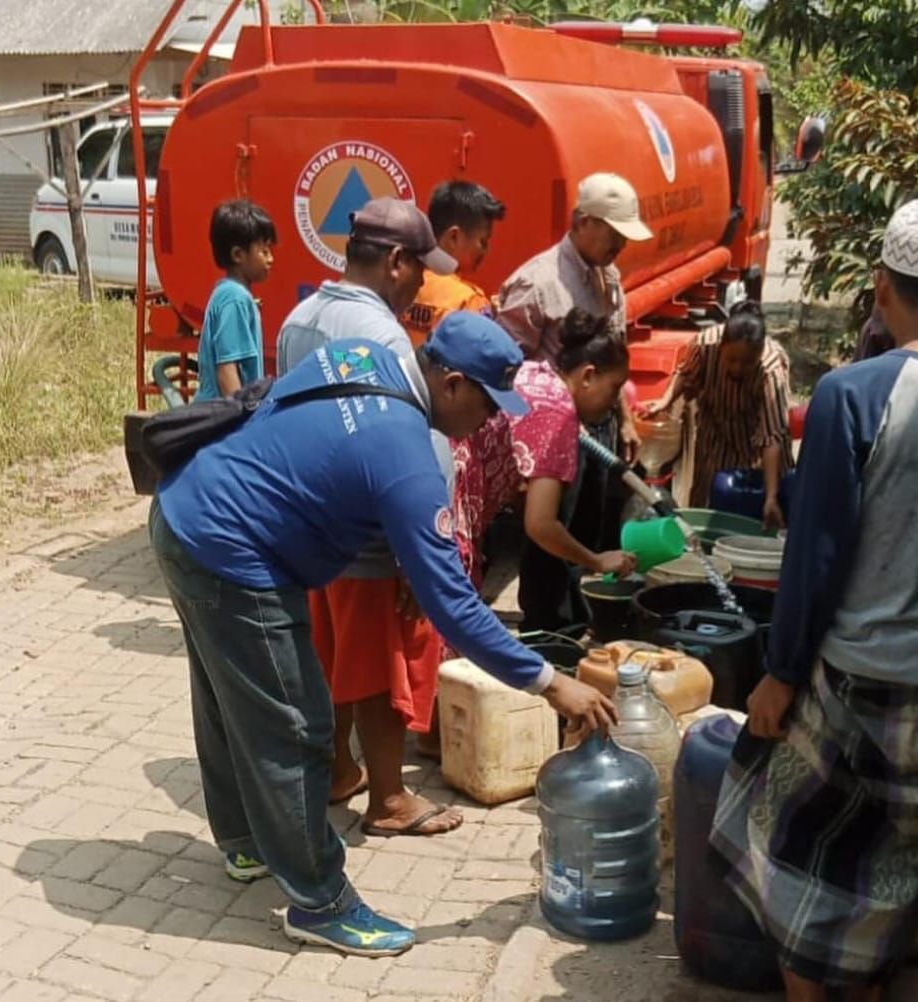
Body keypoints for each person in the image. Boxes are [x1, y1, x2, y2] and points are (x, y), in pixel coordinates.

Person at [150, 320, 616, 958]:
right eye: (487, 406)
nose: (490, 423)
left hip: (185, 509)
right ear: (452, 384)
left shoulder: (362, 356)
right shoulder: (406, 454)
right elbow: (454, 606)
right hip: (231, 552)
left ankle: (245, 844)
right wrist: (550, 682)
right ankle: (319, 901)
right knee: (297, 726)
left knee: (227, 696)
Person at [710, 197, 918, 1002]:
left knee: (784, 844)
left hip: (854, 680)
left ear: (880, 286)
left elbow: (816, 554)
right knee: (893, 872)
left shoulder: (851, 395)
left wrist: (781, 672)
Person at [276, 197, 465, 837]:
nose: (422, 284)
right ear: (395, 262)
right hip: (371, 533)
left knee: (331, 659)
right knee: (382, 669)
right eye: (421, 270)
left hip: (313, 527)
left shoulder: (300, 317)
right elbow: (408, 445)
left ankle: (337, 770)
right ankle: (389, 799)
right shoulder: (384, 339)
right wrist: (418, 555)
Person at [496, 173, 652, 629]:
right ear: (583, 222)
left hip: (595, 429)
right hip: (551, 434)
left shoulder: (610, 279)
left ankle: (582, 620)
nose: (621, 244)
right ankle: (547, 631)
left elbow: (612, 360)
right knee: (549, 540)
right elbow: (506, 372)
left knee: (589, 531)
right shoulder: (537, 282)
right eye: (614, 232)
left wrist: (624, 419)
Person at [452, 309, 637, 599]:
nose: (614, 402)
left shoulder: (537, 373)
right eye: (614, 389)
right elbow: (541, 525)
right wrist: (597, 561)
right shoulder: (559, 413)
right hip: (455, 505)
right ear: (588, 376)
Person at [643, 301, 793, 528]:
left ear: (760, 352)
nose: (738, 368)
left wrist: (771, 496)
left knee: (755, 518)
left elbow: (772, 437)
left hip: (759, 451)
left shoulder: (771, 370)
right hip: (716, 438)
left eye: (747, 363)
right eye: (731, 360)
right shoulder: (705, 344)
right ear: (721, 346)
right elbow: (686, 373)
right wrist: (665, 401)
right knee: (707, 510)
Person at [403, 180, 505, 348]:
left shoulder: (398, 282)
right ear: (454, 237)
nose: (486, 251)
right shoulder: (468, 300)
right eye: (483, 241)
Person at [196, 199, 276, 401]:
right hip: (222, 415)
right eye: (264, 251)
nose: (271, 259)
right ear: (238, 255)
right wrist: (241, 415)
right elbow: (227, 370)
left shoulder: (231, 294)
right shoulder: (235, 298)